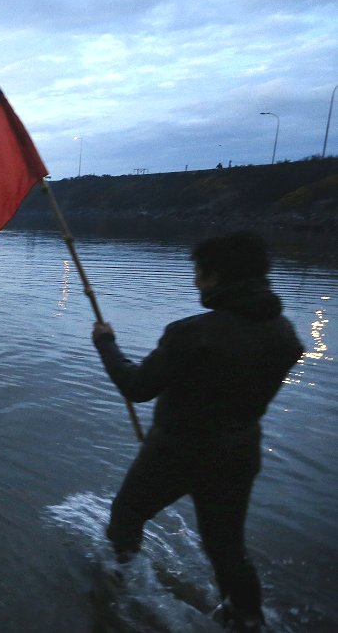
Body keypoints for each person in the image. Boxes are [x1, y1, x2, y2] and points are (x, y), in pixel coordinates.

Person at [91, 231, 303, 631]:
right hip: (239, 452)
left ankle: (118, 590)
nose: (195, 282)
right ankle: (249, 619)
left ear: (216, 276)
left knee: (128, 514)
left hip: (177, 450)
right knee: (226, 545)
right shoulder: (284, 333)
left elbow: (137, 387)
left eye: (199, 273)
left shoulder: (194, 332)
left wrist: (106, 343)